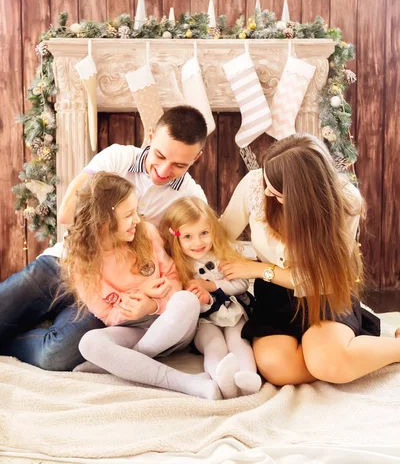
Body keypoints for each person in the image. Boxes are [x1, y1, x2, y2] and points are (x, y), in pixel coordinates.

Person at [0, 106, 208, 371]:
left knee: (56, 356)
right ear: (151, 134)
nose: (164, 170)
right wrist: (116, 216)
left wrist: (159, 299)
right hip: (64, 264)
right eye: (160, 155)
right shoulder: (118, 158)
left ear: (197, 158)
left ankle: (15, 339)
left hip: (111, 293)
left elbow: (198, 253)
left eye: (180, 165)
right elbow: (67, 213)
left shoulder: (191, 198)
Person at [219, 133, 400, 386]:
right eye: (267, 181)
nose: (268, 192)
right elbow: (221, 235)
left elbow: (321, 281)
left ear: (304, 195)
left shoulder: (345, 201)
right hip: (275, 294)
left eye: (277, 189)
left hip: (325, 292)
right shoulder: (255, 185)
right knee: (279, 369)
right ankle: (346, 352)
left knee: (328, 363)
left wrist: (258, 269)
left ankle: (394, 348)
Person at [63, 172, 221, 400]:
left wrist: (153, 305)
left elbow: (174, 280)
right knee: (89, 343)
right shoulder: (82, 261)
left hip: (172, 324)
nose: (137, 219)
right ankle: (187, 383)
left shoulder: (145, 233)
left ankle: (127, 361)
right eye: (129, 215)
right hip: (132, 328)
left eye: (136, 211)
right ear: (103, 222)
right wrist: (141, 301)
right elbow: (107, 315)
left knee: (187, 300)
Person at [159, 197, 262, 399]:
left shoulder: (222, 252)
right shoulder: (177, 265)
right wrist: (204, 299)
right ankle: (220, 380)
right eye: (187, 236)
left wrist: (213, 285)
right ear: (176, 238)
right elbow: (180, 303)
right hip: (203, 321)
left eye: (204, 233)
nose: (198, 242)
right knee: (214, 345)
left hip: (234, 311)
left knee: (238, 340)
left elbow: (241, 284)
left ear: (213, 230)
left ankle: (248, 377)